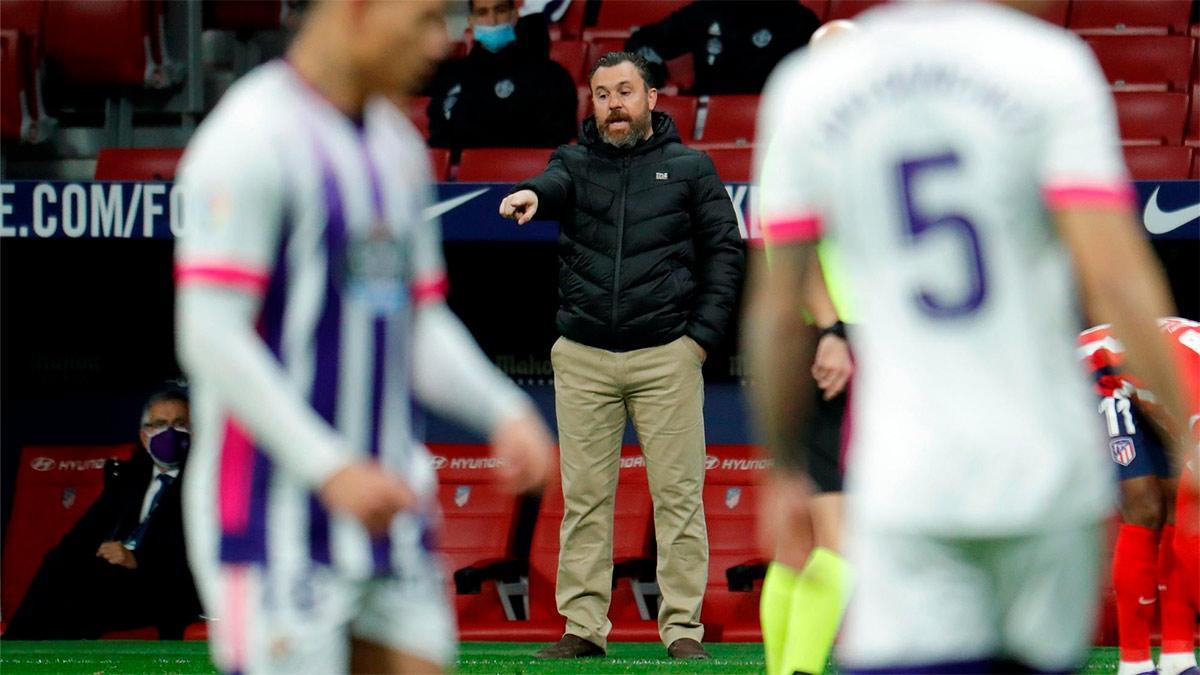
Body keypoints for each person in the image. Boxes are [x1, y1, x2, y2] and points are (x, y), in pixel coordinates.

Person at [744, 1, 1195, 672]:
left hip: (907, 472)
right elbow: (1116, 279)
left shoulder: (812, 90)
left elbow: (778, 309)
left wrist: (781, 467)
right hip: (1041, 472)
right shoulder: (1048, 67)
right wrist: (1189, 435)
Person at [174, 2, 554, 673]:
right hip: (275, 516)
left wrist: (505, 410)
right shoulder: (249, 135)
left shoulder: (397, 146)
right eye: (426, 19)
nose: (443, 43)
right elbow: (210, 335)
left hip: (390, 503)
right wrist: (328, 464)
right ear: (356, 10)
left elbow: (417, 320)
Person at [499, 51, 744, 660]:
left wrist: (699, 341)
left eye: (625, 91)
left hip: (667, 355)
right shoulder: (572, 163)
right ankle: (583, 627)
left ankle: (683, 628)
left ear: (652, 98)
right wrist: (533, 191)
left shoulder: (691, 167)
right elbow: (554, 186)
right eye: (603, 93)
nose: (613, 104)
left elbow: (726, 255)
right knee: (584, 498)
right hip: (583, 354)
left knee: (679, 497)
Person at [4, 387, 202, 640]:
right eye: (161, 424)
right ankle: (13, 649)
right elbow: (81, 537)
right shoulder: (128, 479)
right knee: (59, 566)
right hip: (113, 578)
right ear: (145, 436)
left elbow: (197, 555)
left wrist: (136, 559)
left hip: (164, 587)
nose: (170, 433)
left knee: (87, 592)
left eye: (179, 423)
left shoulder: (203, 484)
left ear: (194, 432)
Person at [1079, 318, 1200, 675]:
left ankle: (1178, 658)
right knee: (1144, 503)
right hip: (1105, 372)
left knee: (1179, 507)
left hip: (1161, 386)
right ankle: (1134, 662)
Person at [426, 0, 577, 148]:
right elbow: (438, 138)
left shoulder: (550, 76)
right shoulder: (451, 76)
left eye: (500, 10)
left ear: (514, 16)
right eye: (482, 13)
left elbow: (555, 142)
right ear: (471, 22)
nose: (492, 21)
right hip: (463, 171)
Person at [624, 0, 820, 94]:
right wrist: (653, 72)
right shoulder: (708, 11)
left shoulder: (798, 21)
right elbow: (642, 42)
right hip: (706, 122)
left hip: (769, 124)